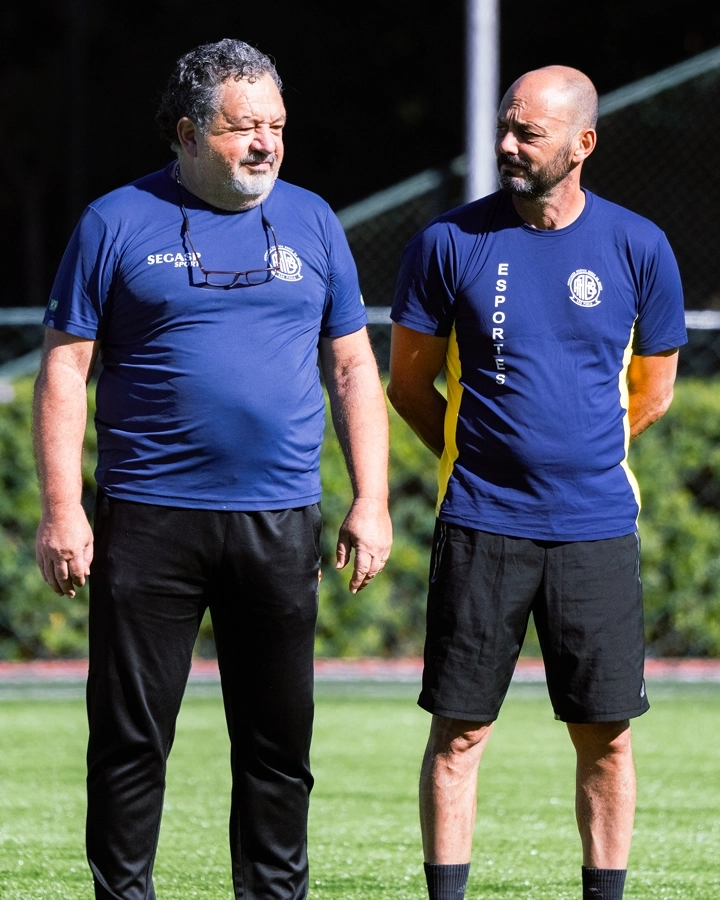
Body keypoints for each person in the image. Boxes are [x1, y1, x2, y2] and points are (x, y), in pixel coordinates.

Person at [33, 38, 392, 900]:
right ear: (189, 132)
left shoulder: (312, 220)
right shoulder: (114, 221)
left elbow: (351, 365)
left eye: (275, 124)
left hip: (279, 518)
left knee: (278, 744)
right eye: (243, 127)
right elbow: (64, 368)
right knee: (129, 740)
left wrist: (371, 498)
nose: (264, 142)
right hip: (149, 517)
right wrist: (62, 507)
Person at [388, 65, 686, 900]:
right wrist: (475, 454)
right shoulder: (448, 243)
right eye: (505, 128)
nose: (508, 146)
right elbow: (409, 387)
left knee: (607, 738)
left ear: (582, 143)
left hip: (594, 526)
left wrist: (581, 448)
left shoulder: (639, 246)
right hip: (481, 521)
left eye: (529, 133)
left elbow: (653, 392)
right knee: (458, 734)